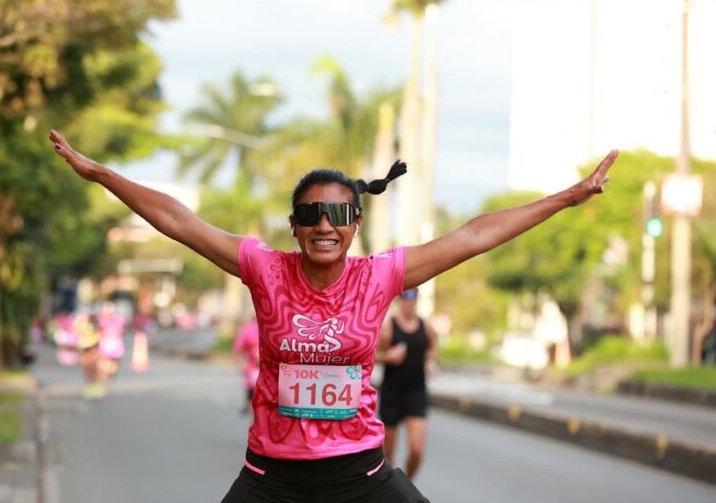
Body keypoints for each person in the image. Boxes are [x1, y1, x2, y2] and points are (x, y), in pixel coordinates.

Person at [49, 129, 618, 502]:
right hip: (271, 476)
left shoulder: (380, 276)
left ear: (355, 224)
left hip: (360, 474)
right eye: (311, 214)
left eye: (339, 213)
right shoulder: (263, 269)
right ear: (294, 225)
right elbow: (180, 220)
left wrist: (565, 198)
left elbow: (472, 235)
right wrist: (103, 175)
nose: (325, 225)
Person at [376, 287, 438, 480]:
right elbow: (371, 355)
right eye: (405, 299)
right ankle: (393, 492)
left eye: (412, 299)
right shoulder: (389, 327)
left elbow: (432, 347)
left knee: (417, 450)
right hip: (392, 394)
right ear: (399, 300)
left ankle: (407, 486)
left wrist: (430, 361)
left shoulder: (425, 326)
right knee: (388, 455)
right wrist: (388, 357)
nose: (409, 303)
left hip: (416, 393)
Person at [233, 315, 260, 415]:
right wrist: (241, 365)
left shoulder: (247, 328)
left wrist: (240, 364)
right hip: (254, 369)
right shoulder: (248, 329)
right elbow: (238, 349)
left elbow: (237, 349)